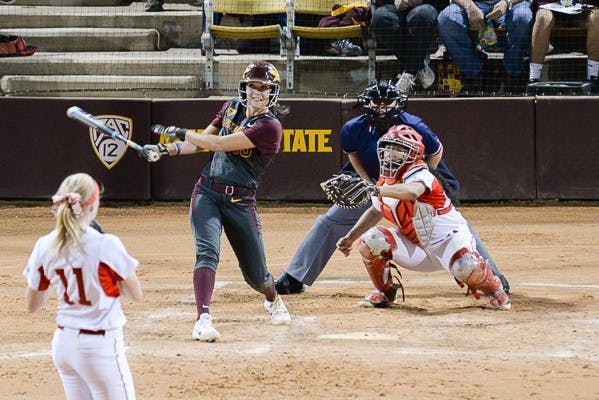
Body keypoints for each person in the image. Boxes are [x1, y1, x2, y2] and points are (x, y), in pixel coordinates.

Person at [275, 79, 510, 295]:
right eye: (377, 102)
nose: (382, 107)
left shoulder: (414, 125)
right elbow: (353, 154)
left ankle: (494, 276)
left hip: (411, 179)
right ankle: (295, 277)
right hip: (374, 180)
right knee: (330, 221)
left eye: (388, 102)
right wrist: (369, 184)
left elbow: (436, 152)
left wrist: (419, 181)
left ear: (398, 103)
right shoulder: (353, 128)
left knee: (453, 224)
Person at [143, 61, 291, 342]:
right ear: (244, 87)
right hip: (207, 192)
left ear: (273, 93)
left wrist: (179, 131)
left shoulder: (269, 127)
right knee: (207, 253)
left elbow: (219, 144)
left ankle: (272, 299)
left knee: (257, 277)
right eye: (252, 86)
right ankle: (203, 319)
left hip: (241, 201)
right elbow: (202, 142)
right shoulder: (231, 107)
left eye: (264, 88)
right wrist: (165, 149)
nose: (257, 92)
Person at [336, 125, 511, 310]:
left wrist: (377, 189)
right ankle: (385, 292)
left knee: (465, 266)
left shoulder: (421, 173)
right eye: (388, 148)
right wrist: (350, 238)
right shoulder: (385, 182)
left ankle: (495, 290)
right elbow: (375, 211)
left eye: (398, 149)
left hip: (449, 243)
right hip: (416, 248)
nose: (390, 154)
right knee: (370, 240)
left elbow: (412, 192)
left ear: (413, 154)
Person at [23, 172, 142, 400]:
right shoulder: (105, 244)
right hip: (99, 346)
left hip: (63, 345)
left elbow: (32, 304)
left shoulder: (45, 244)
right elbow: (135, 293)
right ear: (92, 205)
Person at [437, 0, 533, 93]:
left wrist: (507, 2)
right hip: (471, 3)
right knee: (446, 18)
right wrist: (469, 5)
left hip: (512, 4)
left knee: (523, 16)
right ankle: (474, 72)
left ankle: (513, 72)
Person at [370, 0, 445, 93]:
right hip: (395, 8)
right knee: (379, 17)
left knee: (423, 14)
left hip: (425, 6)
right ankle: (420, 66)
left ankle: (410, 72)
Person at [527, 0, 599, 93]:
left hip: (583, 8)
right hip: (551, 7)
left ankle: (593, 78)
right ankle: (533, 79)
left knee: (597, 17)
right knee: (542, 17)